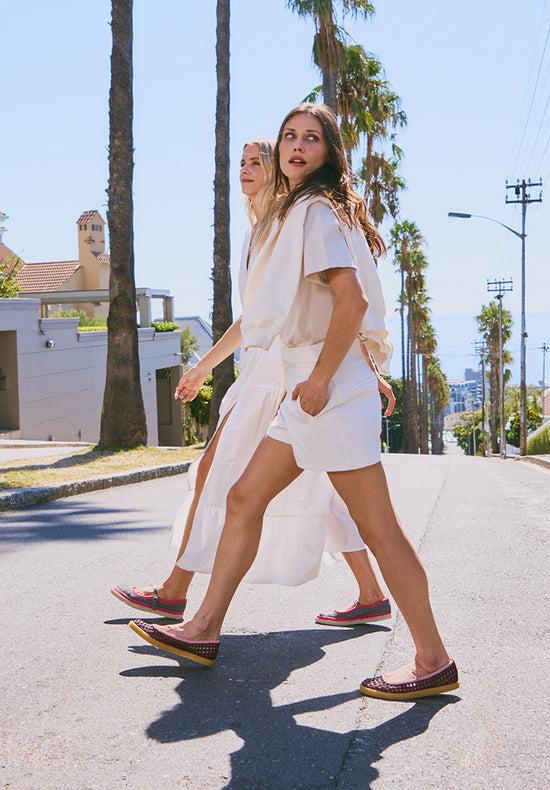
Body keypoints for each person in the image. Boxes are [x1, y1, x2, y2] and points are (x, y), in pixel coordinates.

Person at [129, 106, 458, 701]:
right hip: (312, 388)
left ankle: (432, 657)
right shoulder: (305, 212)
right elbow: (285, 314)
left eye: (311, 138)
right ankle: (203, 627)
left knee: (379, 528)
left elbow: (351, 302)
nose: (296, 146)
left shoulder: (312, 213)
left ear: (329, 152)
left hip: (323, 390)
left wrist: (323, 378)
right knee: (243, 496)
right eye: (289, 136)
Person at [112, 137, 394, 626]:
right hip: (266, 374)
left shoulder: (291, 222)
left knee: (218, 477)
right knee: (315, 482)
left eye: (255, 162)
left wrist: (363, 368)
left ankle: (177, 592)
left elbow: (337, 304)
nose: (245, 170)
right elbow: (254, 317)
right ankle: (371, 592)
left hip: (281, 377)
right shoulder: (258, 231)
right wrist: (205, 366)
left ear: (277, 171)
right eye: (240, 163)